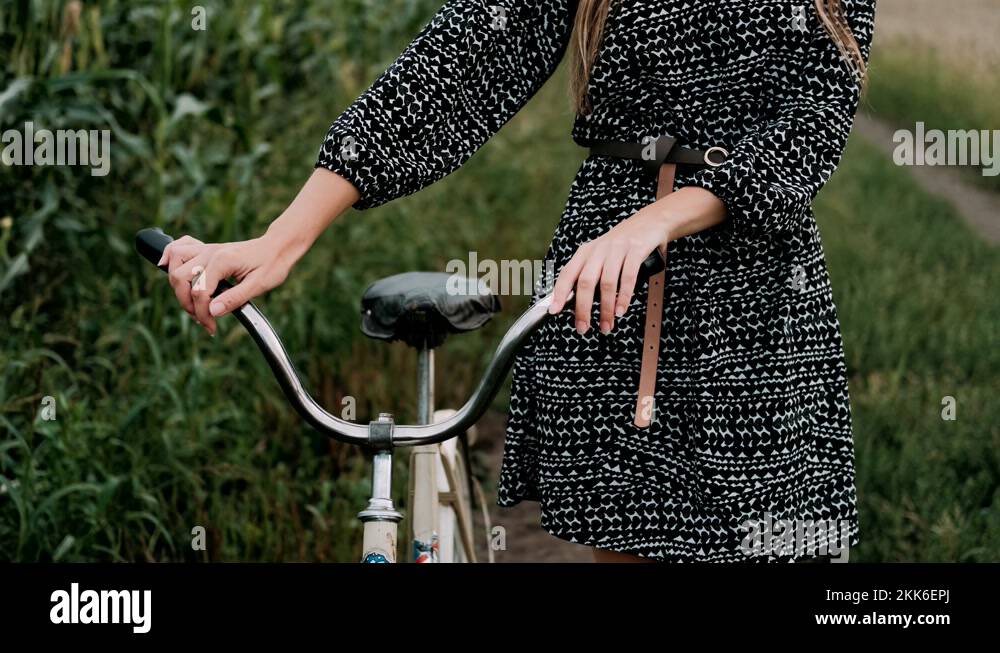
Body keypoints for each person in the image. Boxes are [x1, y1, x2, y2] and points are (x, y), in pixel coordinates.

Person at [159, 0, 877, 563]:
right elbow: (461, 62)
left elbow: (814, 122)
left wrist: (658, 222)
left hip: (755, 306)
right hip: (612, 300)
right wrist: (283, 237)